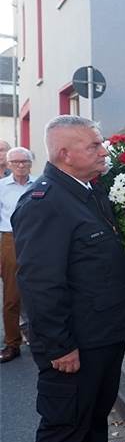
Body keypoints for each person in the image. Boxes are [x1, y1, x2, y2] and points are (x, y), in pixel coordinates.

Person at [12, 116, 125, 442]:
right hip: (74, 345)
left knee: (92, 421)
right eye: (93, 146)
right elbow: (40, 283)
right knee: (64, 429)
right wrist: (58, 347)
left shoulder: (89, 193)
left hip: (103, 336)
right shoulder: (45, 202)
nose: (103, 151)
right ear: (64, 154)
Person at [0, 146, 36, 363]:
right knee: (12, 296)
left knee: (43, 291)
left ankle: (43, 338)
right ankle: (12, 344)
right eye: (16, 162)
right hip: (10, 239)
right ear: (9, 164)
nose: (21, 165)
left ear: (30, 163)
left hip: (37, 240)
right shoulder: (1, 187)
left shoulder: (41, 184)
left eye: (24, 161)